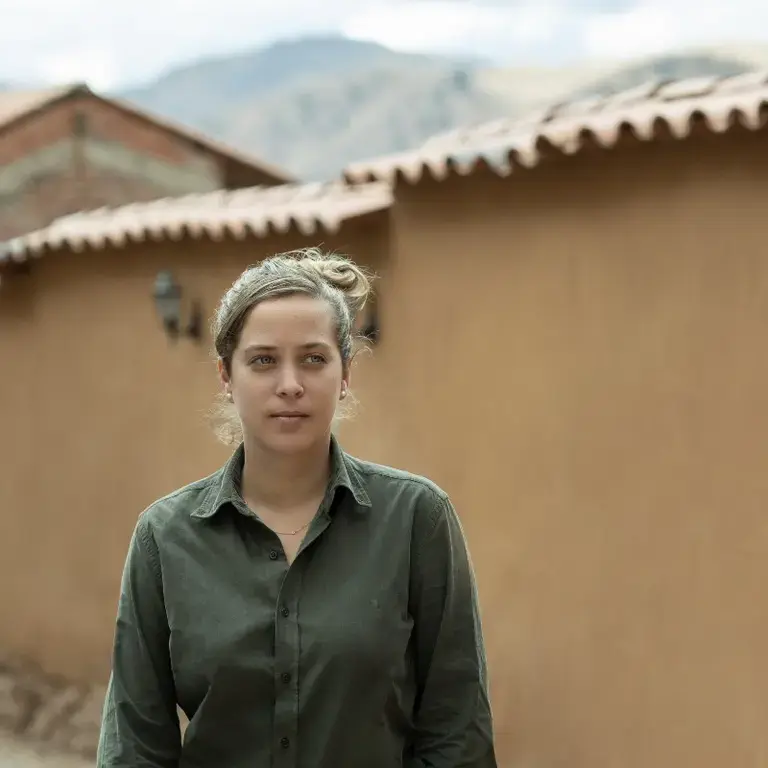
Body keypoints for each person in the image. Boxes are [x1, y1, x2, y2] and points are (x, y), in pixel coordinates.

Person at [96, 247, 497, 767]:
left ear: (345, 372)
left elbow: (457, 732)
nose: (290, 384)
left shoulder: (418, 519)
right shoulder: (165, 537)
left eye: (313, 358)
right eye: (263, 360)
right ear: (225, 374)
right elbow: (134, 745)